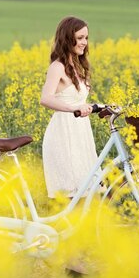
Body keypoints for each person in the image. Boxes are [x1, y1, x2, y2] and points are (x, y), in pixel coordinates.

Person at [40, 16, 98, 200]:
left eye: (86, 38)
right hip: (63, 134)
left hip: (81, 133)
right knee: (71, 194)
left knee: (88, 191)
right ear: (67, 38)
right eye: (80, 38)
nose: (84, 43)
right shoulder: (57, 67)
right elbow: (45, 99)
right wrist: (73, 109)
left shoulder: (79, 66)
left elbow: (79, 100)